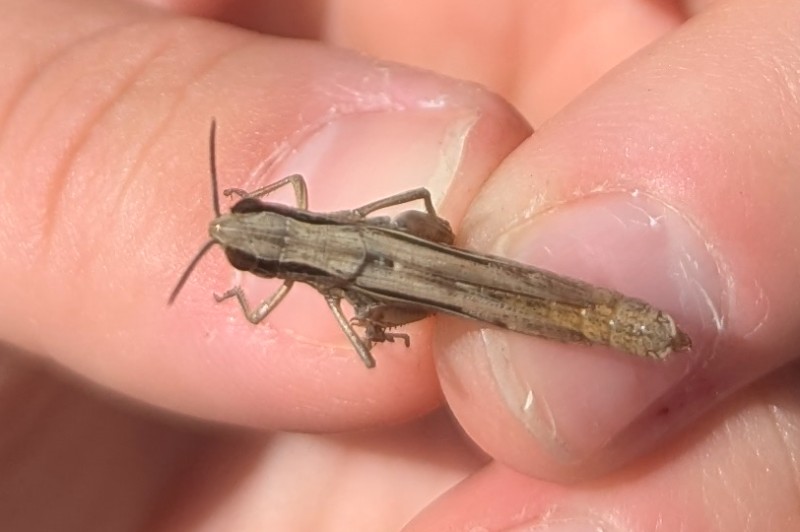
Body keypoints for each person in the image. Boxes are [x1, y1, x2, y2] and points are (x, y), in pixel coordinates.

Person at [2, 1, 798, 529]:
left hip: (391, 270)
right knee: (443, 265)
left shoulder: (283, 273)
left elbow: (308, 325)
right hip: (394, 258)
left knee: (392, 316)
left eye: (241, 227)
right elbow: (398, 199)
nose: (235, 223)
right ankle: (632, 325)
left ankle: (632, 323)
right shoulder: (302, 200)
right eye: (241, 231)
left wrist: (359, 324)